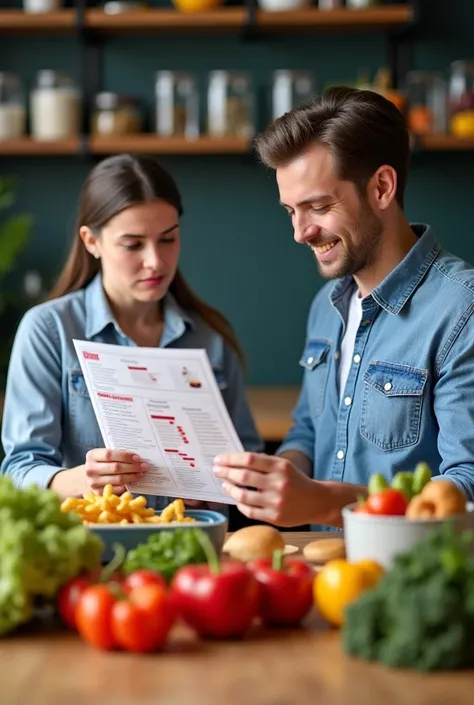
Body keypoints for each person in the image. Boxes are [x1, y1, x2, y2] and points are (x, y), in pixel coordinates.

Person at [213, 85, 474, 528]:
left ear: (382, 188)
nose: (300, 232)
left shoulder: (462, 309)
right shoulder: (327, 305)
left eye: (318, 206)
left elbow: (465, 486)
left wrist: (323, 504)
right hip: (322, 570)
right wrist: (271, 477)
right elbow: (310, 434)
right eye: (290, 211)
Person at [1, 154, 262, 508]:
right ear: (91, 242)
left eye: (167, 239)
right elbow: (18, 469)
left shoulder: (210, 337)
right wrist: (81, 479)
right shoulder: (49, 330)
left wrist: (219, 489)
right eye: (133, 244)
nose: (155, 261)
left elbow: (248, 463)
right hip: (88, 548)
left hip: (188, 547)